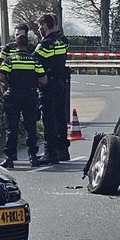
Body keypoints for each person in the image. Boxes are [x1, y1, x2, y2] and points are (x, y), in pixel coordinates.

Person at [0, 33, 47, 169]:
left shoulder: (10, 60)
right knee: (30, 127)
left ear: (16, 46)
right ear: (28, 46)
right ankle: (33, 157)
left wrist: (6, 84)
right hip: (30, 96)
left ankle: (10, 158)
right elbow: (43, 80)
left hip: (13, 95)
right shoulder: (34, 61)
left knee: (11, 127)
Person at [35, 13, 69, 163]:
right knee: (60, 117)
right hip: (60, 83)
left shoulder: (45, 45)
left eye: (39, 27)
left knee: (49, 119)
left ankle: (50, 153)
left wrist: (41, 76)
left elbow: (33, 61)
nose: (38, 30)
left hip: (48, 85)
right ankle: (63, 150)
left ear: (44, 26)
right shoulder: (61, 42)